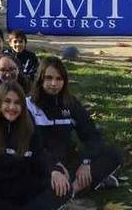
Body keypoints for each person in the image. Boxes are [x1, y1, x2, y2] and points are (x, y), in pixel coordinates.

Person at [0, 82, 71, 210]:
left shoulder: (29, 127)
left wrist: (54, 171)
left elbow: (40, 155)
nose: (12, 107)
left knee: (62, 187)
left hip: (21, 189)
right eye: (7, 101)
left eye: (17, 102)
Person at [28, 57, 122, 194]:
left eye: (59, 79)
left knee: (113, 155)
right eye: (48, 78)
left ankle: (72, 191)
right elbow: (30, 146)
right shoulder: (28, 105)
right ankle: (87, 184)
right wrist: (54, 168)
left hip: (70, 163)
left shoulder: (70, 103)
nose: (54, 84)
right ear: (40, 79)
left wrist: (86, 162)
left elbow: (92, 135)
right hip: (42, 165)